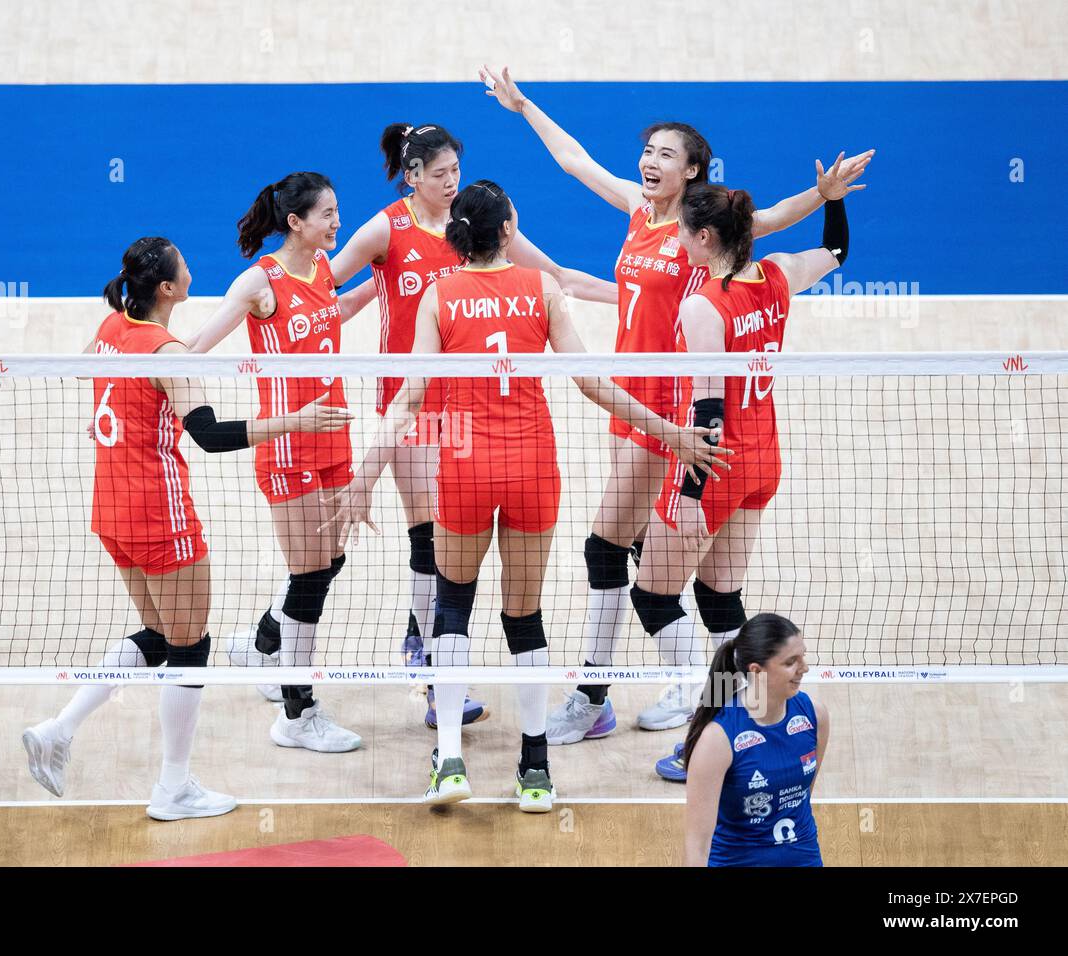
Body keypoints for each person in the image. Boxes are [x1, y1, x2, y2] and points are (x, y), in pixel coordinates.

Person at [478, 65, 872, 738]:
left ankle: (618, 695)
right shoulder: (639, 211)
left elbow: (773, 219)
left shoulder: (699, 237)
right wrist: (523, 107)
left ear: (694, 172)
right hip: (625, 402)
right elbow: (577, 164)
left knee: (612, 552)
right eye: (648, 151)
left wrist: (824, 192)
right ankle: (683, 688)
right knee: (648, 558)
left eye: (666, 154)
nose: (649, 161)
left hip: (669, 413)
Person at [328, 180, 728, 811]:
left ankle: (451, 759)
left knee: (452, 606)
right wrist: (671, 433)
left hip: (462, 467)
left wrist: (364, 477)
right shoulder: (540, 289)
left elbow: (408, 398)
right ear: (508, 230)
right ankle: (535, 769)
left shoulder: (439, 294)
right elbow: (593, 382)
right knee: (525, 617)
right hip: (532, 468)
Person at [23, 237, 351, 816]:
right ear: (169, 288)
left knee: (157, 638)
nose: (191, 266)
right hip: (159, 514)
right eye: (182, 264)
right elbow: (209, 434)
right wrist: (294, 421)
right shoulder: (166, 350)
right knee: (189, 647)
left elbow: (79, 373)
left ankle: (59, 728)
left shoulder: (110, 329)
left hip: (111, 510)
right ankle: (174, 787)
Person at [326, 122, 618, 728]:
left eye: (456, 171)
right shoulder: (387, 227)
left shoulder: (480, 224)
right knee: (427, 538)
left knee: (446, 542)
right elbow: (321, 283)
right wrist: (345, 299)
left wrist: (633, 296)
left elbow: (558, 277)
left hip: (467, 411)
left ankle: (426, 645)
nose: (451, 182)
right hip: (407, 404)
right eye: (439, 175)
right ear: (413, 177)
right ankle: (434, 671)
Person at [633, 177, 853, 780]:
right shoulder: (778, 272)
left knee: (652, 596)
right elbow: (837, 252)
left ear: (704, 238)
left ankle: (703, 732)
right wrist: (831, 199)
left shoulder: (703, 305)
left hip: (717, 465)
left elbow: (707, 411)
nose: (676, 237)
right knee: (718, 597)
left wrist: (690, 495)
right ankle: (754, 720)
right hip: (763, 460)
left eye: (682, 230)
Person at [186, 174, 364, 753]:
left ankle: (262, 641)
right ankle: (297, 711)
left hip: (335, 438)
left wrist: (386, 290)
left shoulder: (321, 273)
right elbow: (192, 350)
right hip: (288, 448)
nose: (338, 223)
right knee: (311, 575)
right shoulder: (261, 282)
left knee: (329, 563)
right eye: (328, 215)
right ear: (296, 222)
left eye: (338, 212)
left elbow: (332, 316)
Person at [682, 613, 828, 866]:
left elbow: (803, 799)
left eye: (803, 656)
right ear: (757, 671)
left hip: (803, 858)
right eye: (791, 662)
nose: (804, 668)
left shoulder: (814, 715)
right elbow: (697, 846)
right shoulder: (718, 739)